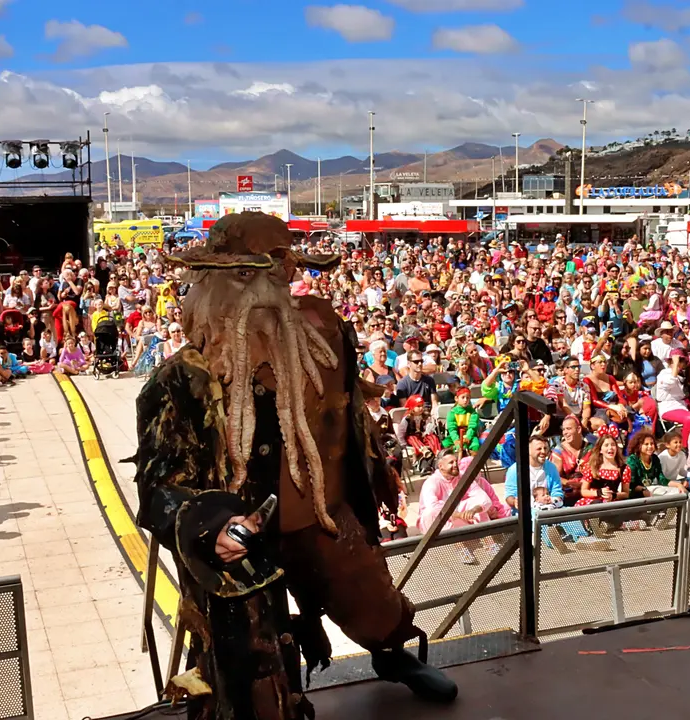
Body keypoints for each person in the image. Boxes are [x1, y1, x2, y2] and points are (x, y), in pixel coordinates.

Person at [131, 213, 456, 719]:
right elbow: (158, 489)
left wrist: (369, 478)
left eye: (276, 271)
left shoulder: (325, 337)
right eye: (244, 275)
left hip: (320, 515)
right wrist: (211, 526)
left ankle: (393, 655)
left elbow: (349, 420)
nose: (264, 288)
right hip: (242, 546)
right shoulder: (179, 383)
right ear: (211, 285)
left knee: (373, 600)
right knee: (255, 670)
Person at [415, 450, 507, 564]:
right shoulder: (432, 482)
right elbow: (433, 506)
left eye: (456, 462)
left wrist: (474, 509)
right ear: (441, 466)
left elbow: (483, 498)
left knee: (477, 504)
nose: (455, 465)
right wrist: (457, 514)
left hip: (459, 515)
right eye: (451, 463)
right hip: (436, 522)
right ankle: (461, 548)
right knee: (431, 511)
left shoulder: (462, 476)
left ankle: (489, 543)